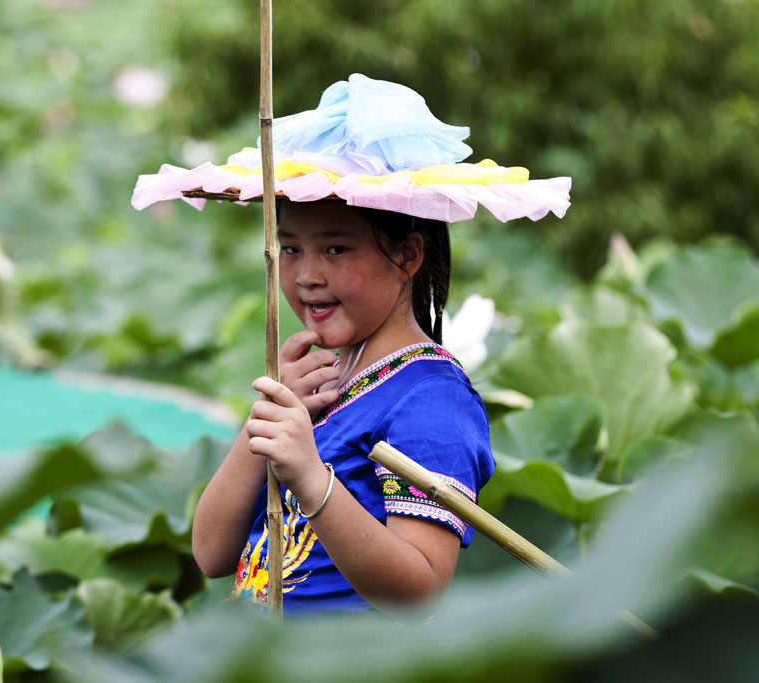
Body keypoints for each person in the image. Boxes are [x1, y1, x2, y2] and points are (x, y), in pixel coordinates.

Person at [131, 74, 571, 613]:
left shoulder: (432, 399)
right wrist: (265, 421)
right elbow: (210, 553)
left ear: (408, 256)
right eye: (290, 249)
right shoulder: (316, 385)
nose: (307, 276)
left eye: (335, 249)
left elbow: (421, 589)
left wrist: (312, 479)